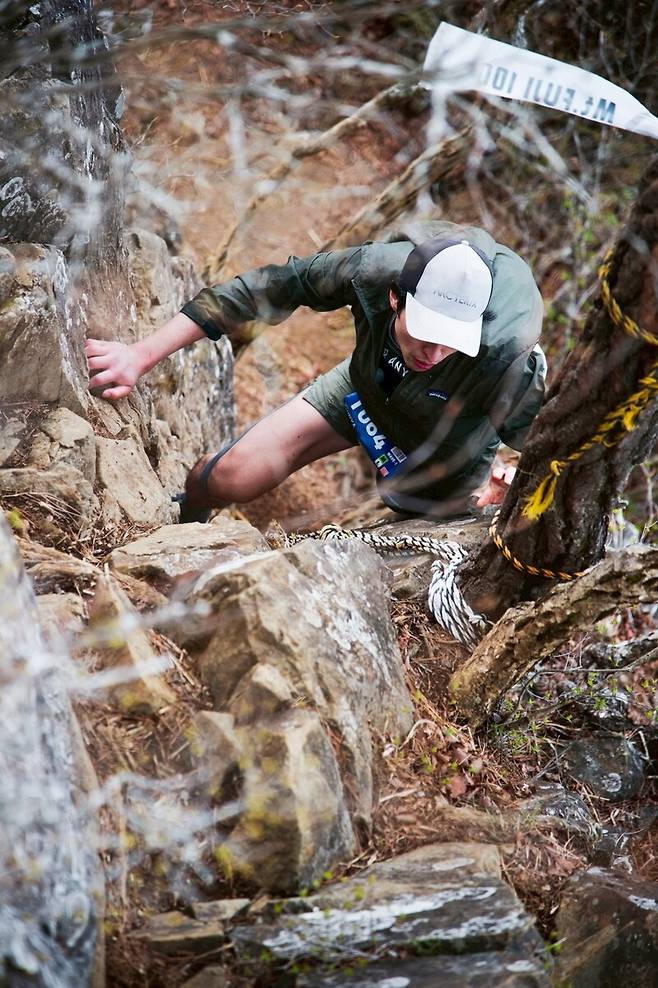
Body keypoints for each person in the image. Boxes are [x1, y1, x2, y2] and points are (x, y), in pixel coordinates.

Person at [85, 220, 546, 522]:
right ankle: (184, 523)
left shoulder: (504, 356)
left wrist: (522, 486)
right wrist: (140, 355)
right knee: (226, 477)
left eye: (452, 340)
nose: (435, 351)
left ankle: (487, 486)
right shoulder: (371, 272)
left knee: (420, 519)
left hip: (448, 448)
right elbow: (270, 288)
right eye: (425, 332)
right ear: (395, 298)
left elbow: (551, 444)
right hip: (364, 389)